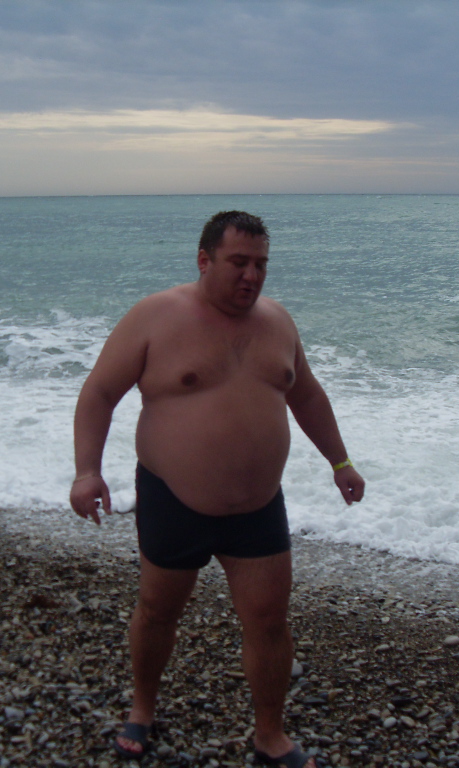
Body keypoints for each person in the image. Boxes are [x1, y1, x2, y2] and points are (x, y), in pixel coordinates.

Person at [69, 211, 365, 768]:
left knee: (270, 622)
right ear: (204, 260)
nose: (252, 276)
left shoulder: (278, 322)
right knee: (157, 612)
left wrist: (341, 461)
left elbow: (306, 395)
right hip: (173, 499)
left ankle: (270, 735)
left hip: (257, 507)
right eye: (239, 263)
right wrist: (88, 471)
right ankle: (143, 707)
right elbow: (99, 393)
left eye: (261, 265)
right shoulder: (155, 316)